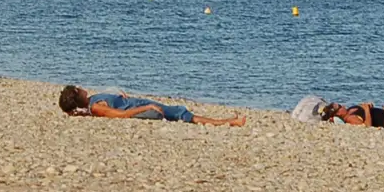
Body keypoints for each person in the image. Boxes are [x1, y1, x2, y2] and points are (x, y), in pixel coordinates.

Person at [59, 86, 246, 127]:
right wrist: (145, 107)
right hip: (140, 106)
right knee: (180, 112)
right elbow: (120, 115)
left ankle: (228, 121)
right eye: (78, 90)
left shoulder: (93, 100)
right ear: (78, 97)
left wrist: (118, 94)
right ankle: (228, 122)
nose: (82, 88)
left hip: (137, 102)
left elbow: (112, 100)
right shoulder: (96, 107)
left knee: (179, 110)